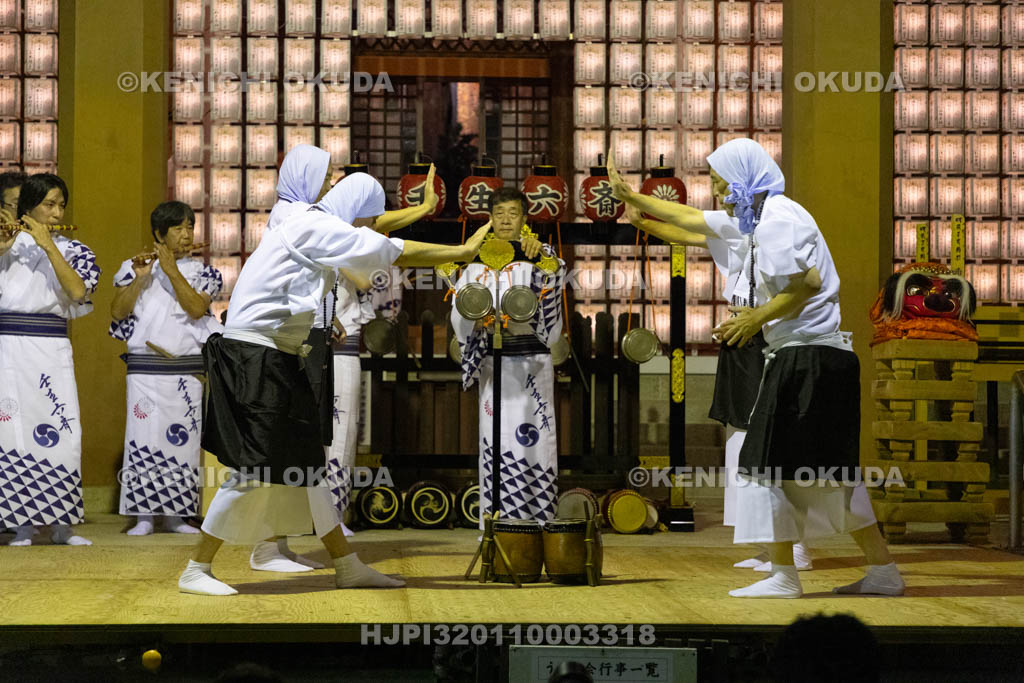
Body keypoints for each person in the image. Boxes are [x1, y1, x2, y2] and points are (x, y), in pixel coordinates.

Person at [609, 139, 904, 598]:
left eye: (720, 177)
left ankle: (785, 575)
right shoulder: (761, 219)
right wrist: (633, 200)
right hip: (816, 357)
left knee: (763, 464)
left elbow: (807, 283)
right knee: (829, 474)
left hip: (805, 357)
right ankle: (883, 572)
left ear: (745, 177)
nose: (715, 187)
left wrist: (754, 318)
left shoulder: (778, 219)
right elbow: (690, 222)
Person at [177, 173, 490, 595]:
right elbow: (388, 249)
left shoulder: (309, 221)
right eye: (368, 219)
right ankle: (197, 567)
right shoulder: (314, 225)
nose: (369, 227)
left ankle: (346, 565)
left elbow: (375, 237)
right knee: (253, 469)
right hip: (256, 357)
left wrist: (419, 211)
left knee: (309, 467)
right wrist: (465, 250)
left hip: (280, 354)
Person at [621, 181, 813, 572]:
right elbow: (687, 232)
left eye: (724, 186)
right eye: (716, 185)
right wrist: (643, 222)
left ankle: (796, 548)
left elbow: (688, 220)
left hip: (767, 332)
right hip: (741, 335)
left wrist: (635, 199)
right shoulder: (737, 227)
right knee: (743, 440)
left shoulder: (769, 226)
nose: (718, 193)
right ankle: (768, 544)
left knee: (770, 442)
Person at [449, 187, 565, 529]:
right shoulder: (475, 256)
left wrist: (542, 257)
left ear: (524, 219)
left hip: (532, 363)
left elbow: (555, 286)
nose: (505, 220)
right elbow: (461, 309)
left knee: (536, 440)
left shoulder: (540, 254)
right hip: (494, 364)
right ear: (490, 218)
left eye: (513, 213)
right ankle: (495, 527)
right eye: (499, 214)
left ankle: (538, 523)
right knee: (494, 442)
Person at [109, 201, 222, 535]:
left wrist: (171, 269)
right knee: (142, 438)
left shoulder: (206, 272)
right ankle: (143, 515)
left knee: (184, 442)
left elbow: (196, 308)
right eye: (178, 228)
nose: (187, 235)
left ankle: (176, 516)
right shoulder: (132, 267)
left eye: (190, 227)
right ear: (159, 234)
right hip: (145, 368)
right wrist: (141, 280)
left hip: (186, 369)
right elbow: (117, 312)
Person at [0, 173, 100, 546]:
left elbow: (77, 291)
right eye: (48, 205)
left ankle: (62, 523)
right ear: (27, 207)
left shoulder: (76, 250)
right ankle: (21, 524)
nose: (57, 213)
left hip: (50, 346)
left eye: (61, 205)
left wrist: (48, 245)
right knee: (13, 432)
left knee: (63, 429)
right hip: (8, 346)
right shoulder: (6, 242)